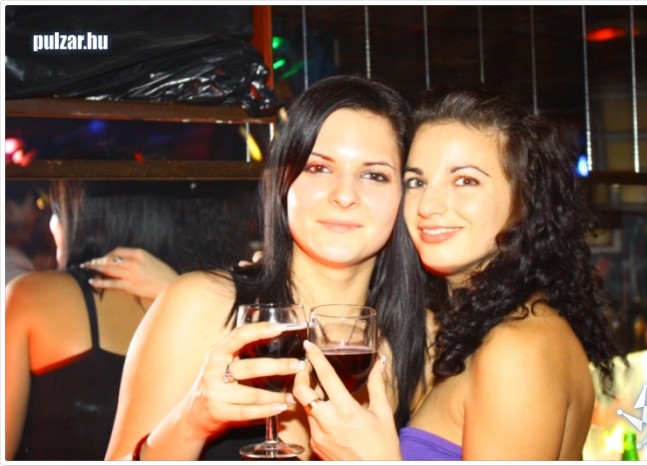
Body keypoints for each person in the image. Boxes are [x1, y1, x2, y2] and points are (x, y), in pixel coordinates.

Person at [104, 75, 427, 461]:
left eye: (374, 175)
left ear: (405, 193)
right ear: (284, 182)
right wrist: (191, 421)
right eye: (318, 168)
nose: (344, 195)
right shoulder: (203, 307)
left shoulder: (420, 338)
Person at [294, 83, 620, 460]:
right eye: (417, 182)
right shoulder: (474, 332)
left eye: (465, 181)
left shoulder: (515, 349)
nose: (429, 205)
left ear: (524, 201)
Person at [4, 180, 192, 460]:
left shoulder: (30, 295)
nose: (51, 224)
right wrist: (181, 290)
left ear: (80, 220)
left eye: (56, 211)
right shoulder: (193, 297)